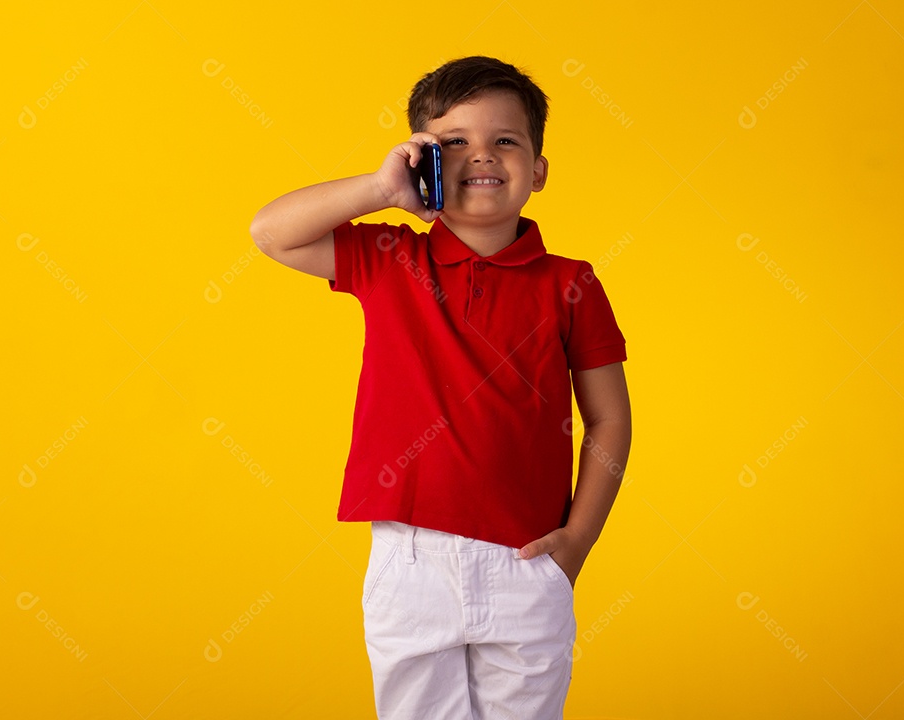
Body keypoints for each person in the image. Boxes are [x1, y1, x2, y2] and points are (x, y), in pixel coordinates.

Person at [250, 55, 632, 719]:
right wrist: (380, 188)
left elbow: (609, 420)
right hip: (411, 562)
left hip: (527, 559)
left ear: (538, 170)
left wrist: (577, 541)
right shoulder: (389, 257)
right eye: (453, 142)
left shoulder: (571, 283)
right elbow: (271, 232)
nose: (481, 155)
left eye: (505, 140)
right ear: (422, 162)